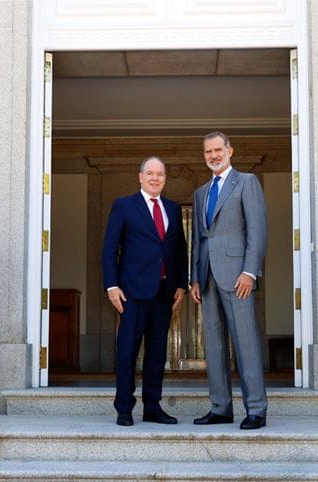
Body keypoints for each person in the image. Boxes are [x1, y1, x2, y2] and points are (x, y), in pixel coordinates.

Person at [102, 156, 188, 427]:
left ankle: (153, 406)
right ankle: (124, 408)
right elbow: (109, 249)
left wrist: (180, 285)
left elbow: (179, 250)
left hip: (164, 293)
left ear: (165, 178)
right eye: (149, 173)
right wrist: (111, 285)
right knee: (127, 351)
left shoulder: (173, 209)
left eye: (160, 174)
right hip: (131, 293)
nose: (155, 178)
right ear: (140, 177)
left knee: (157, 353)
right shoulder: (124, 206)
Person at [190, 131, 268, 430]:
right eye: (208, 151)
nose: (213, 155)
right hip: (208, 277)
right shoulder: (200, 193)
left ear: (230, 151)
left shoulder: (246, 182)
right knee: (213, 345)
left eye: (218, 149)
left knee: (245, 342)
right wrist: (195, 278)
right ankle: (220, 407)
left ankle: (256, 410)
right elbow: (198, 239)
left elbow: (257, 230)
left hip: (238, 277)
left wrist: (250, 271)